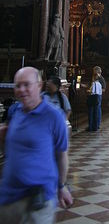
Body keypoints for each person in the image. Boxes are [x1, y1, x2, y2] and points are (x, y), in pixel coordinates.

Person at [0, 67, 73, 222]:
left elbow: (62, 156)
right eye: (18, 86)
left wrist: (61, 186)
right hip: (9, 196)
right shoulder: (15, 111)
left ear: (39, 85)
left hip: (38, 200)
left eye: (27, 85)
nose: (22, 90)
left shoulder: (54, 116)